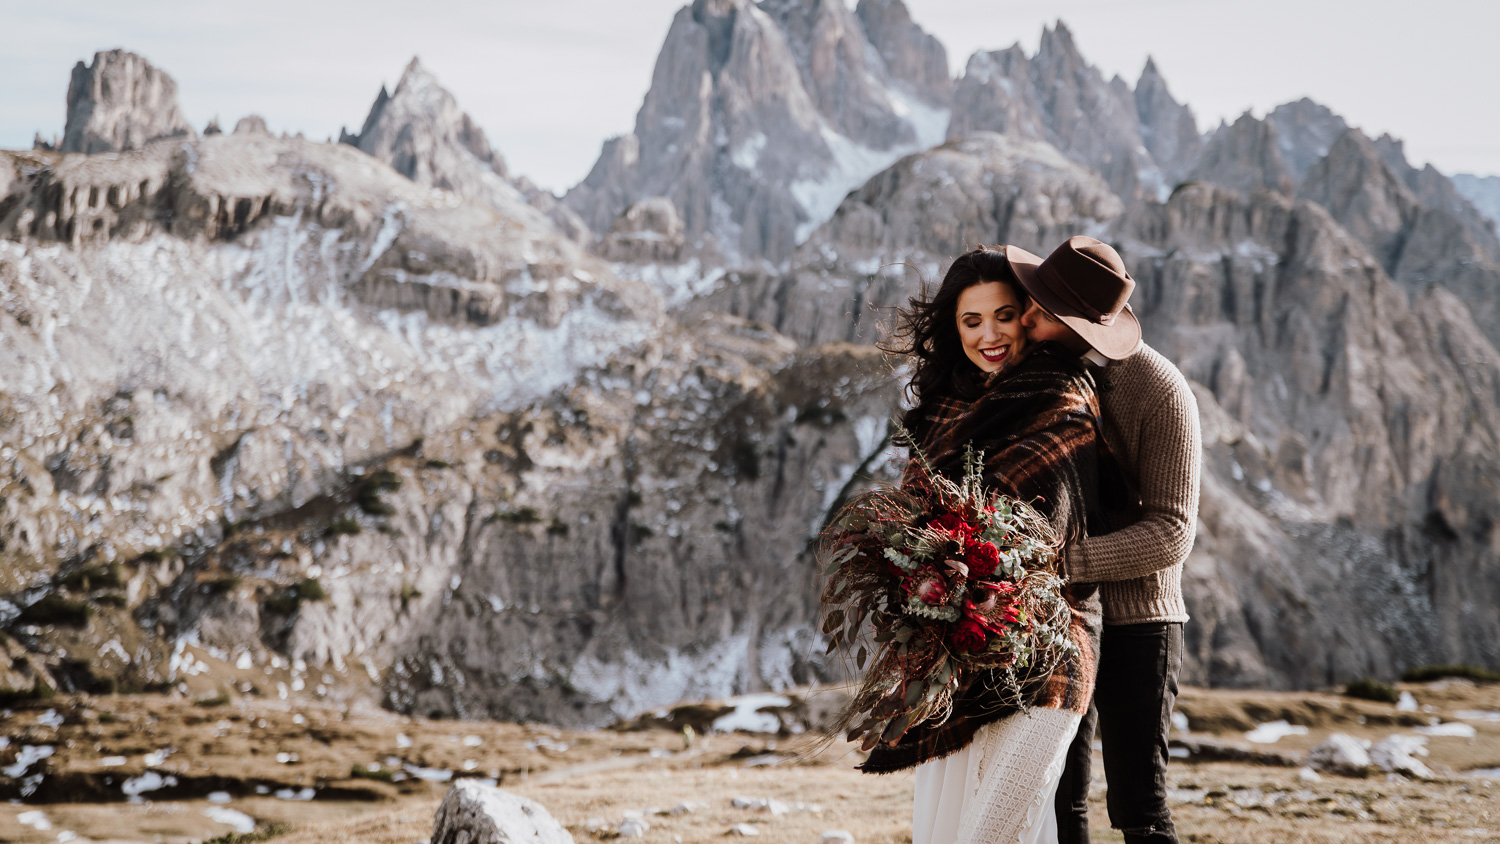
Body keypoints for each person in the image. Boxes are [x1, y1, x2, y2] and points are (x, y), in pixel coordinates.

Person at [861, 244, 1127, 843]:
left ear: (1029, 314)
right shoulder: (941, 408)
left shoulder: (1061, 395)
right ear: (952, 330)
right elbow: (917, 520)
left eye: (1004, 315)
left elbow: (1056, 529)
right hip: (960, 657)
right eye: (971, 321)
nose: (990, 336)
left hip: (1051, 650)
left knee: (996, 831)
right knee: (949, 830)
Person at [1008, 236, 1201, 844]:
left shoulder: (1160, 392)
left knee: (1139, 807)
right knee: (1060, 797)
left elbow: (1172, 532)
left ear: (1074, 323)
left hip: (1140, 623)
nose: (1025, 316)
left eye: (1039, 310)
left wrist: (1062, 561)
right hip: (1063, 619)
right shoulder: (1042, 377)